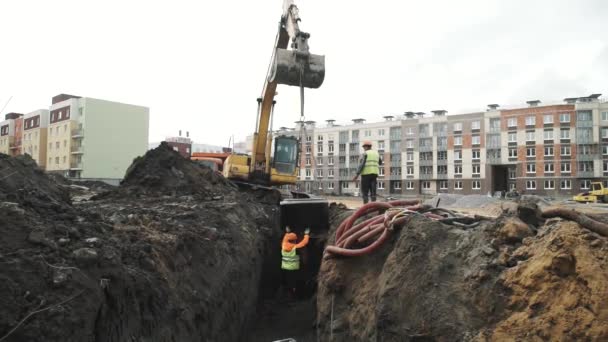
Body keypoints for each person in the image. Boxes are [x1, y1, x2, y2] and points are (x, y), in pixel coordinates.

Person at [281, 226, 310, 298]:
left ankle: (290, 294)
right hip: (294, 267)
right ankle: (296, 295)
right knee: (297, 280)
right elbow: (303, 243)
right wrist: (306, 234)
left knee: (290, 281)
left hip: (286, 267)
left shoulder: (284, 244)